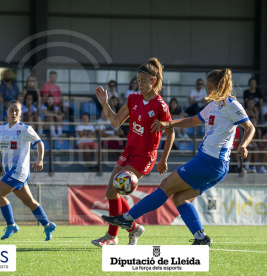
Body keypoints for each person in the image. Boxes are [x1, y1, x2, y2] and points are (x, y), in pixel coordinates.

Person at [101, 69, 255, 247]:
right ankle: (200, 237)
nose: (207, 91)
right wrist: (169, 123)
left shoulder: (231, 104)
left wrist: (243, 145)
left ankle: (128, 219)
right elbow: (192, 121)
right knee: (180, 198)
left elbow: (249, 127)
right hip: (216, 166)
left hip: (209, 160)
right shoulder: (214, 105)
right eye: (206, 87)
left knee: (166, 186)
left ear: (220, 87)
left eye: (210, 87)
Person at [92, 58, 175, 247]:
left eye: (144, 80)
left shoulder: (161, 106)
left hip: (145, 155)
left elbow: (171, 134)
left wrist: (164, 160)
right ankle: (133, 228)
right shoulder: (133, 99)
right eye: (138, 80)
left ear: (153, 81)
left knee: (114, 189)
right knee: (111, 192)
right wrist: (105, 103)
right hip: (129, 150)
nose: (140, 84)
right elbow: (115, 122)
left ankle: (112, 236)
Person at [0, 100, 56, 241]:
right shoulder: (1, 129)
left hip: (19, 170)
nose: (14, 112)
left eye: (17, 110)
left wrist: (40, 160)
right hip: (10, 171)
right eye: (11, 110)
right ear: (7, 112)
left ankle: (11, 225)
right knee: (29, 202)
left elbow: (39, 142)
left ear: (21, 113)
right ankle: (47, 224)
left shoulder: (25, 128)